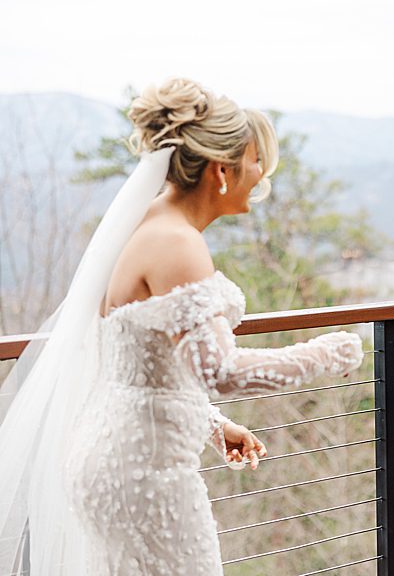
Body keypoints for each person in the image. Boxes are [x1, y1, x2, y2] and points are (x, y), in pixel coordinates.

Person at [0, 78, 364, 575]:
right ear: (221, 170)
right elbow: (221, 371)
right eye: (255, 162)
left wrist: (212, 424)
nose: (260, 177)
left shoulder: (150, 221)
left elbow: (142, 361)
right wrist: (329, 353)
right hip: (143, 472)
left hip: (111, 455)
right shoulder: (177, 243)